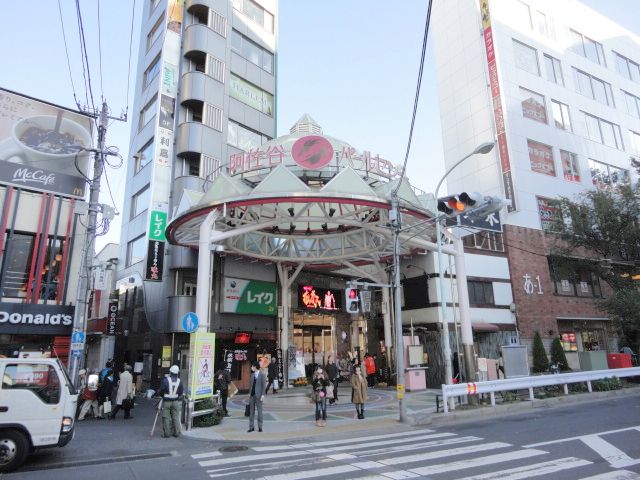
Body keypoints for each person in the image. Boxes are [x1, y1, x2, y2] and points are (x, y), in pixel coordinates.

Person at [157, 365, 184, 438]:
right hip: (175, 402)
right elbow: (181, 392)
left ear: (170, 372)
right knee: (176, 417)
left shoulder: (166, 380)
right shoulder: (180, 381)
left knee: (166, 417)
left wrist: (161, 395)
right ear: (177, 373)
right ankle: (176, 433)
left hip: (167, 402)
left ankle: (167, 433)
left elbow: (161, 390)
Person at [247, 362, 266, 432]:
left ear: (255, 367)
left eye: (252, 366)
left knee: (259, 411)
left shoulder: (262, 375)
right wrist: (249, 393)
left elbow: (264, 385)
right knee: (251, 411)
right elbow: (250, 385)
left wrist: (263, 395)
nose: (251, 368)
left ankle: (260, 427)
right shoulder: (252, 375)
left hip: (259, 396)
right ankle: (251, 427)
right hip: (252, 396)